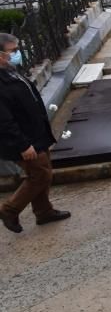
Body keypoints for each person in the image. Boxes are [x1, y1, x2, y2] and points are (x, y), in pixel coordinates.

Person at [0, 33, 71, 233]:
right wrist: (23, 145)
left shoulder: (10, 71)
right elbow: (4, 121)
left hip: (36, 133)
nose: (17, 54)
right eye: (12, 51)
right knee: (40, 175)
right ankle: (9, 209)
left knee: (42, 172)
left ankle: (44, 211)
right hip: (22, 140)